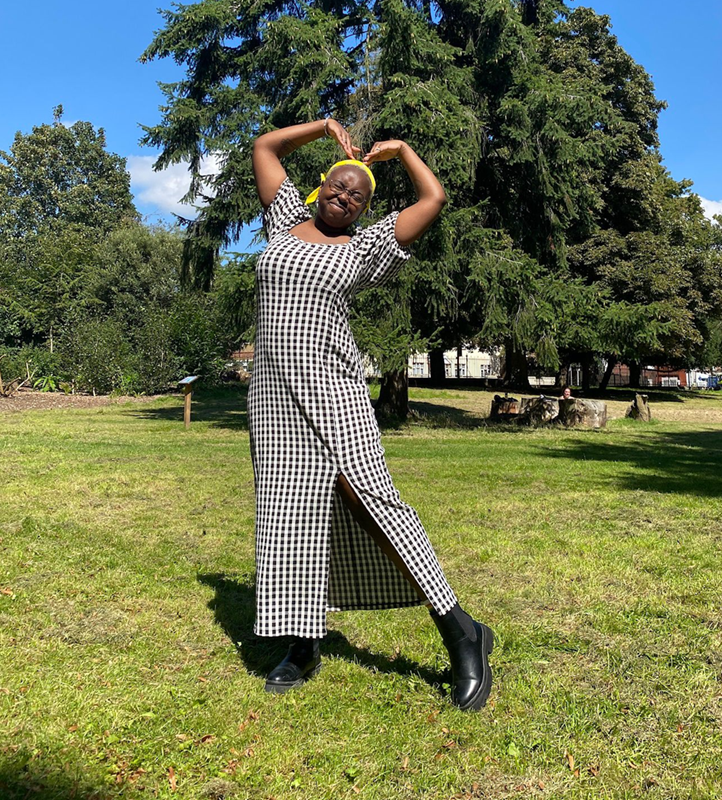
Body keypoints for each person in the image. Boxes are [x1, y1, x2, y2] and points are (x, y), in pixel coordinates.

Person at [249, 117, 494, 711]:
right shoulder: (283, 220)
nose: (345, 195)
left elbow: (432, 198)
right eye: (338, 185)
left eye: (358, 195)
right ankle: (302, 644)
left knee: (374, 501)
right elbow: (265, 145)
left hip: (334, 390)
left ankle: (460, 630)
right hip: (273, 400)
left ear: (364, 210)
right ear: (321, 187)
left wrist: (404, 148)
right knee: (288, 516)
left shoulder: (365, 249)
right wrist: (326, 126)